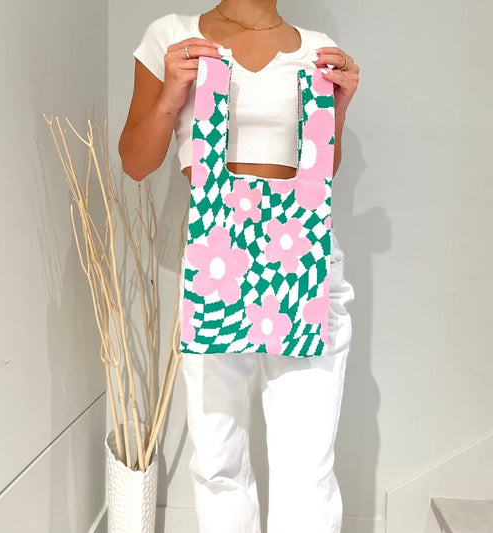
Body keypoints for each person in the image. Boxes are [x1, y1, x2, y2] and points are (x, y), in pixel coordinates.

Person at [119, 2, 359, 532]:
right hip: (218, 265)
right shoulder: (174, 37)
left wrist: (336, 110)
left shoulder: (316, 50)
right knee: (217, 462)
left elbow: (322, 175)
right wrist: (171, 96)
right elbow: (135, 162)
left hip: (306, 264)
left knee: (306, 468)